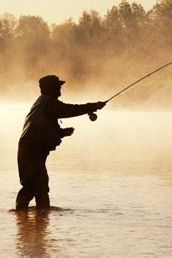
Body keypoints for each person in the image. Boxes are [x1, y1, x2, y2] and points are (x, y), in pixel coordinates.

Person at [16, 75, 105, 210]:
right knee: (33, 186)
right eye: (58, 86)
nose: (60, 88)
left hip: (30, 148)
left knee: (39, 186)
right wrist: (93, 106)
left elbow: (42, 127)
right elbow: (70, 110)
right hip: (32, 149)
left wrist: (62, 132)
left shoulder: (42, 103)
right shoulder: (49, 103)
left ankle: (37, 220)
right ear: (50, 88)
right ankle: (25, 218)